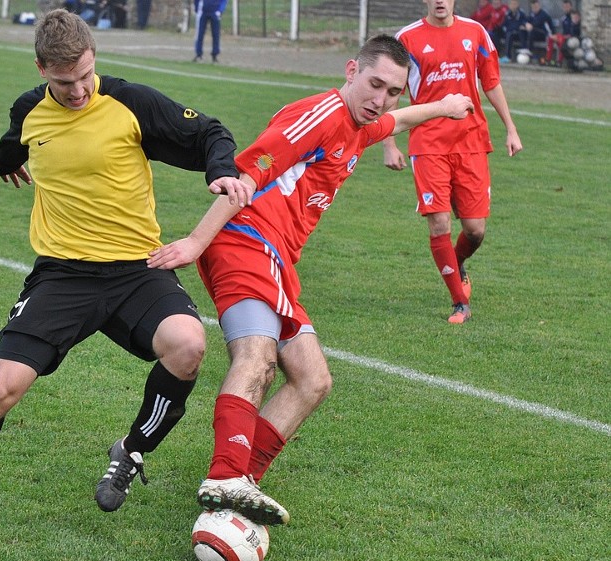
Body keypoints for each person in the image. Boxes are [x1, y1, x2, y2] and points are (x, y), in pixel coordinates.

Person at [0, 8, 253, 536]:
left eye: (87, 76)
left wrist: (222, 172)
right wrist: (3, 166)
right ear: (42, 67)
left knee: (188, 346)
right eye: (66, 82)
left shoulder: (128, 101)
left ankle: (132, 452)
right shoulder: (29, 111)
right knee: (1, 388)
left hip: (136, 269)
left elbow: (210, 132)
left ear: (95, 60)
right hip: (63, 275)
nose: (79, 91)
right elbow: (12, 144)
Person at [147, 35, 474, 525]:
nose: (381, 99)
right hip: (244, 241)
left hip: (275, 259)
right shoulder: (320, 115)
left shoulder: (361, 123)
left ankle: (240, 486)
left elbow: (398, 120)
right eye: (374, 84)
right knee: (256, 357)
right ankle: (225, 477)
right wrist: (195, 241)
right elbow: (251, 173)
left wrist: (442, 105)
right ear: (351, 71)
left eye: (392, 91)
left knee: (313, 379)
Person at [383, 0, 523, 324]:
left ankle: (456, 262)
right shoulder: (407, 39)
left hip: (471, 141)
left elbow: (491, 82)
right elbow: (391, 95)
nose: (440, 1)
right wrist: (389, 144)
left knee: (475, 230)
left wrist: (511, 129)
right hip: (428, 143)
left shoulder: (476, 32)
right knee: (440, 223)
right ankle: (460, 303)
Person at [545, 1, 580, 66]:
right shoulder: (564, 18)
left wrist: (566, 36)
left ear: (571, 7)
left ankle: (559, 62)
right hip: (564, 37)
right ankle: (548, 60)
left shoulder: (574, 15)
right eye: (564, 7)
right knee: (551, 38)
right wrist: (557, 36)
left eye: (567, 7)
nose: (566, 8)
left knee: (562, 41)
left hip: (572, 39)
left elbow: (576, 30)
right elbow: (563, 31)